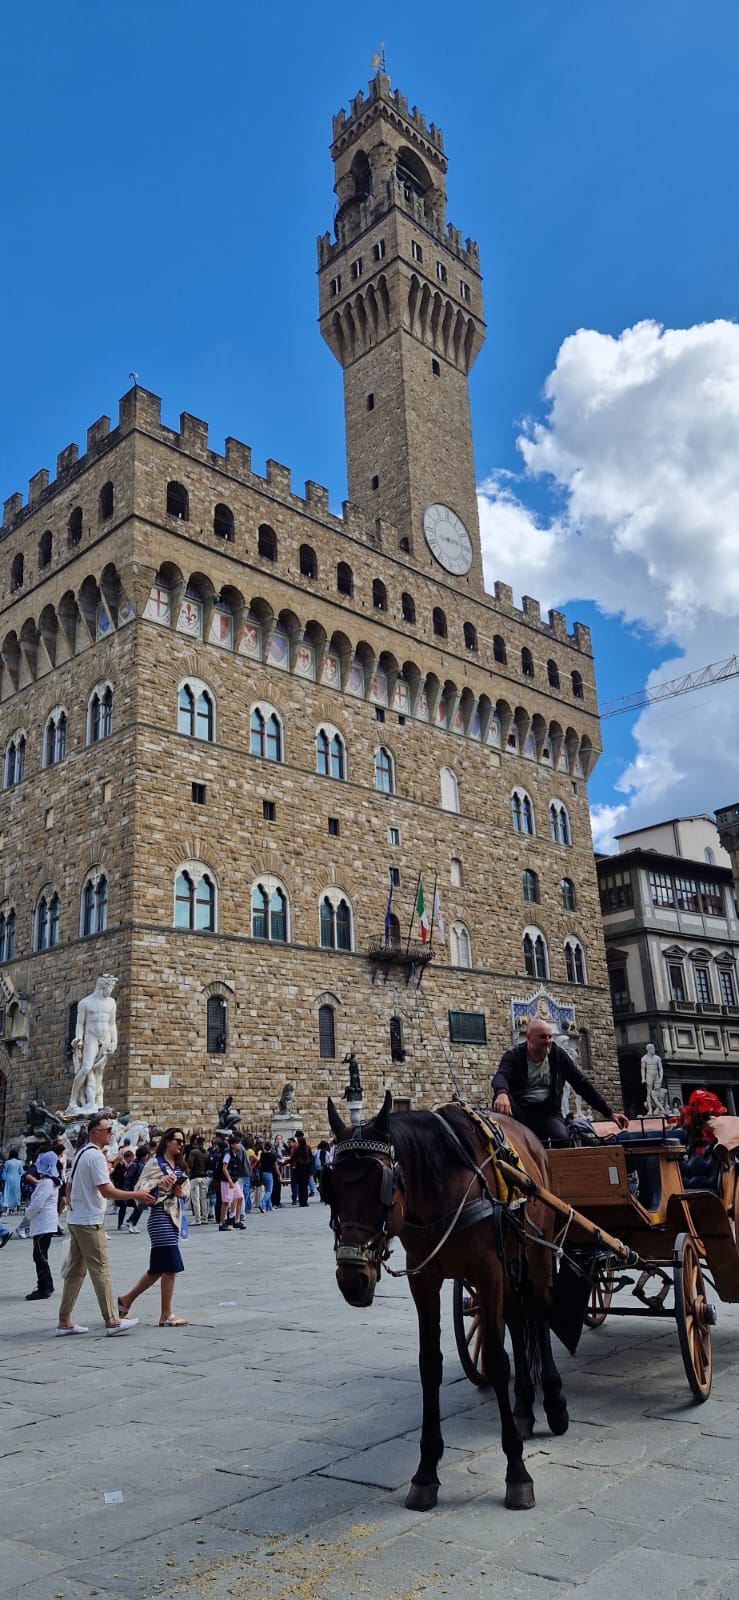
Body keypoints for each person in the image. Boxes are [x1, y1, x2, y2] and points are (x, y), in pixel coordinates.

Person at [56, 1111, 161, 1336]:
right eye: (108, 1131)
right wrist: (136, 1195)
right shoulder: (95, 1156)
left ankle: (64, 1321)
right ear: (96, 1133)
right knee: (101, 1270)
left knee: (75, 1272)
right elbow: (107, 1191)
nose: (111, 1134)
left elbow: (69, 1187)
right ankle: (112, 1320)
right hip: (89, 1222)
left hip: (76, 1219)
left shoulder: (82, 1153)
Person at [492, 1018, 628, 1146]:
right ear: (528, 1038)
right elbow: (501, 1076)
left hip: (547, 1113)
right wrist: (502, 1093)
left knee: (562, 1139)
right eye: (542, 1037)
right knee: (501, 1112)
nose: (548, 1041)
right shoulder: (514, 1056)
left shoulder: (558, 1055)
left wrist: (609, 1113)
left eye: (550, 1037)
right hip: (519, 1110)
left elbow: (581, 1083)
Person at [117, 1128, 191, 1328]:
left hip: (175, 1216)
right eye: (177, 1140)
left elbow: (187, 1192)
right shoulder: (154, 1163)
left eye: (183, 1141)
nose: (181, 1144)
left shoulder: (180, 1164)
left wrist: (179, 1191)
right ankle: (166, 1314)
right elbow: (139, 1188)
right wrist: (159, 1181)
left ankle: (126, 1300)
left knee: (159, 1268)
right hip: (159, 1217)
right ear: (167, 1141)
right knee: (171, 1267)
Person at [66, 975, 118, 1115]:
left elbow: (112, 1023)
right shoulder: (85, 1002)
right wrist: (78, 1038)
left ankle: (95, 1101)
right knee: (87, 1067)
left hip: (105, 1036)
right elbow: (79, 1023)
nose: (111, 991)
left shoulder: (111, 1002)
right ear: (102, 986)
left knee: (99, 1070)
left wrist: (114, 1041)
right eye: (110, 988)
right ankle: (73, 1101)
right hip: (91, 1037)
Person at [24, 1150, 62, 1300]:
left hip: (43, 1223)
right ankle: (48, 1284)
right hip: (44, 1223)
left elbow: (37, 1203)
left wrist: (27, 1214)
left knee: (39, 1255)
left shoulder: (47, 1183)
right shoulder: (50, 1182)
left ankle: (43, 1288)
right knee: (41, 1255)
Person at [187, 1136, 210, 1225]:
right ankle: (205, 1217)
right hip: (204, 1176)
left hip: (194, 1177)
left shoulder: (194, 1152)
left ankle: (197, 1219)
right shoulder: (207, 1153)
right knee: (203, 1199)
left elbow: (190, 1164)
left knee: (195, 1199)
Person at [292, 1132, 314, 1206]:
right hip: (306, 1169)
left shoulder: (298, 1149)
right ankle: (305, 1201)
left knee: (300, 1186)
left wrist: (284, 1163)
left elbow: (293, 1158)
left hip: (299, 1169)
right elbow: (311, 1158)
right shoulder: (307, 1148)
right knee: (305, 1186)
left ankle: (301, 1202)